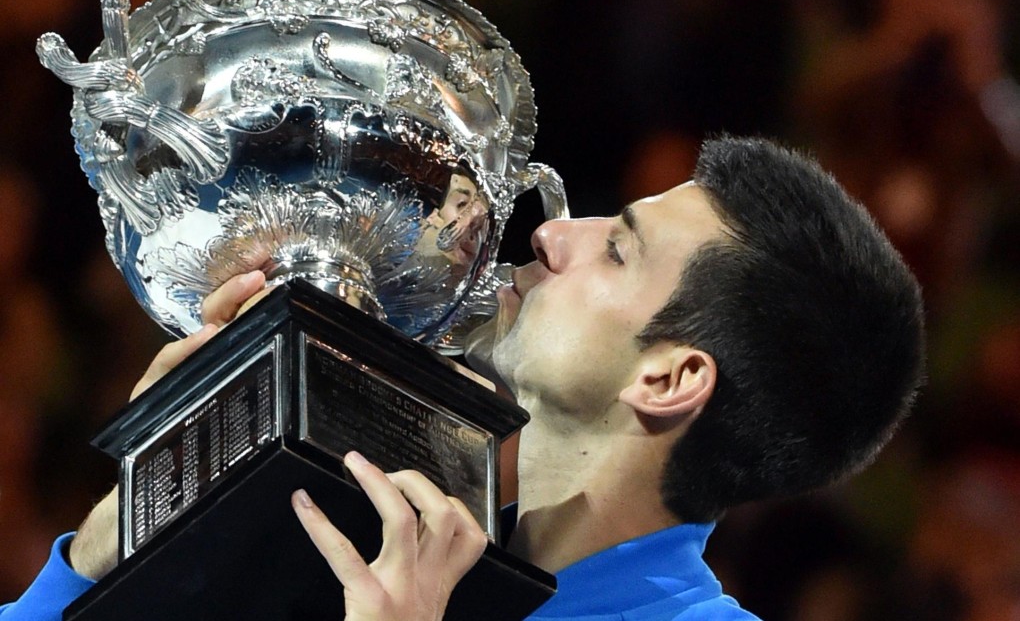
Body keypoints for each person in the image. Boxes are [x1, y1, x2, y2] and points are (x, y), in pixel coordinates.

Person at [0, 136, 926, 620]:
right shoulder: (358, 534)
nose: (551, 235)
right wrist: (115, 539)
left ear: (670, 378)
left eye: (616, 249)